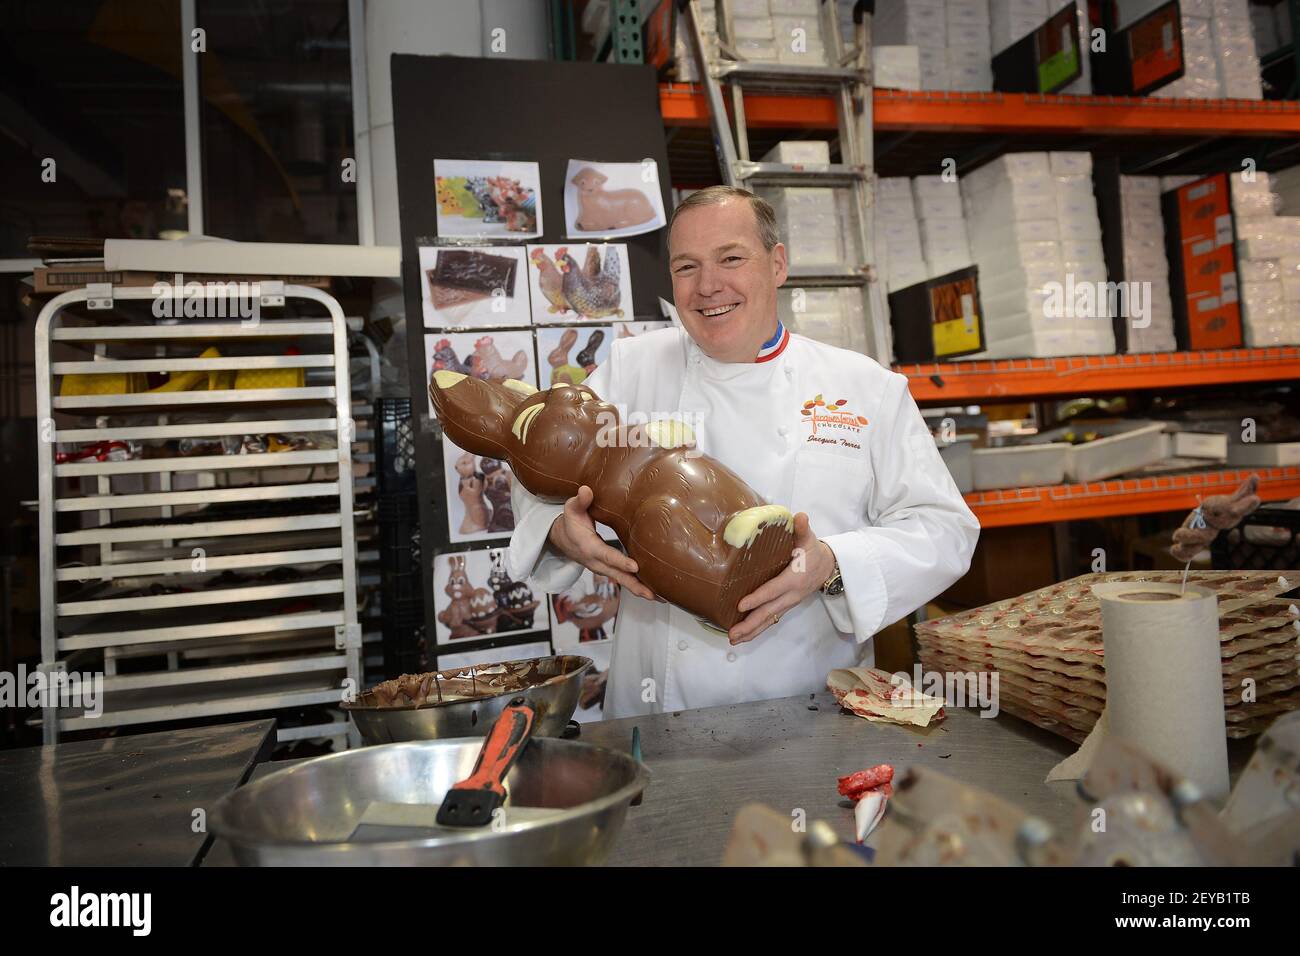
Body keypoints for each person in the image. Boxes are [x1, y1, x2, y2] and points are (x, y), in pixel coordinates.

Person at [506, 185, 979, 718]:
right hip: (659, 709)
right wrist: (558, 530)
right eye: (687, 267)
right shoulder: (630, 370)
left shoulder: (864, 388)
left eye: (731, 258)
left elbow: (944, 529)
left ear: (777, 264)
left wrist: (830, 564)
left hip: (809, 707)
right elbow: (538, 471)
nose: (709, 286)